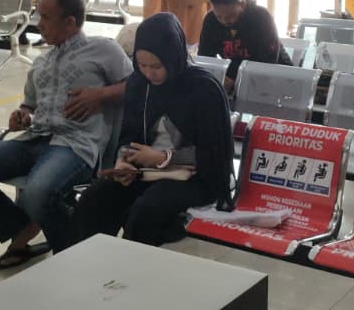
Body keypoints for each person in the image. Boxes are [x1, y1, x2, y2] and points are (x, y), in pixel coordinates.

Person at [0, 0, 132, 269]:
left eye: (45, 17)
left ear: (70, 22)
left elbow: (136, 85)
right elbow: (29, 105)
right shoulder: (42, 61)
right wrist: (21, 115)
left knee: (38, 193)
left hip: (75, 144)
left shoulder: (104, 49)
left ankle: (70, 259)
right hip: (34, 138)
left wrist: (100, 95)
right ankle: (22, 229)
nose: (38, 23)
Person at [74, 13, 235, 246]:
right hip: (146, 171)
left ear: (173, 57)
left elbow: (215, 154)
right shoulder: (139, 84)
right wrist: (124, 162)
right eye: (142, 65)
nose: (149, 73)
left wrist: (163, 157)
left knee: (147, 210)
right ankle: (88, 260)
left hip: (195, 178)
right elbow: (129, 136)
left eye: (157, 66)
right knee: (95, 198)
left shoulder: (203, 89)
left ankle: (131, 265)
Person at [197, 0, 290, 92]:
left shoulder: (261, 17)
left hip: (276, 73)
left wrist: (235, 77)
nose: (225, 21)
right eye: (219, 17)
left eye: (230, 16)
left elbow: (267, 59)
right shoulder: (210, 20)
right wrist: (217, 78)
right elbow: (205, 57)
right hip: (237, 77)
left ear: (241, 4)